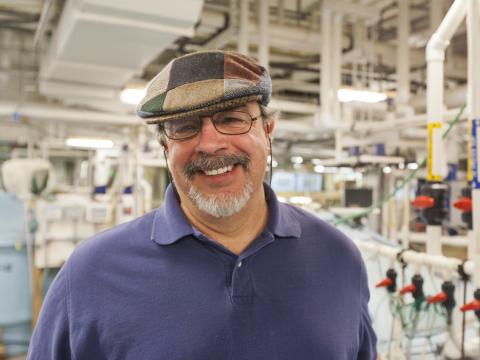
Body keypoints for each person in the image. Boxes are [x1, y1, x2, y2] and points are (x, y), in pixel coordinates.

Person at [27, 50, 377, 359]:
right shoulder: (91, 274)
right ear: (166, 149)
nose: (210, 144)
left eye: (232, 119)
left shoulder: (338, 258)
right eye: (185, 127)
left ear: (268, 132)